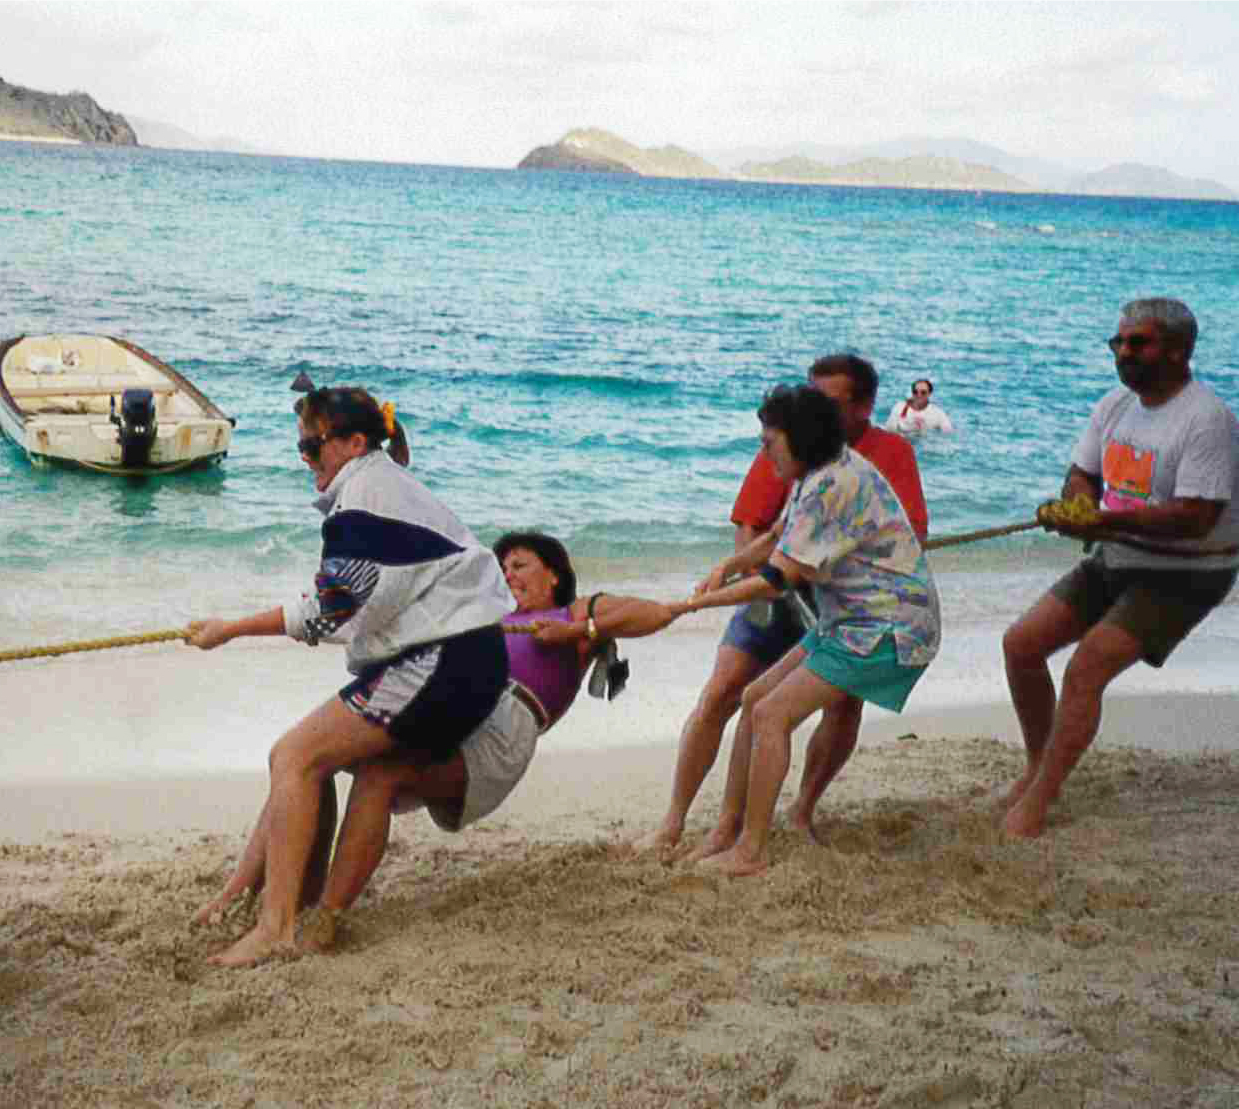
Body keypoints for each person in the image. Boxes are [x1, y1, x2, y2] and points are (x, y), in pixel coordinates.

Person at [191, 531, 678, 947]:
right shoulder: (487, 618)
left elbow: (656, 614)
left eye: (520, 566)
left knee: (381, 773)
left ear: (554, 573)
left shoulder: (575, 612)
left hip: (501, 731)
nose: (509, 576)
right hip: (454, 698)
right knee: (311, 756)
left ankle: (326, 919)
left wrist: (581, 627)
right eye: (503, 569)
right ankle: (250, 890)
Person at [185, 387, 514, 967]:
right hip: (468, 659)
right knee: (327, 762)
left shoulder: (365, 495)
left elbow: (330, 610)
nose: (305, 459)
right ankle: (278, 900)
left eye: (313, 447)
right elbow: (356, 606)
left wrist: (229, 629)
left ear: (354, 443)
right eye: (301, 447)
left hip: (444, 659)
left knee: (294, 757)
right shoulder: (379, 485)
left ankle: (276, 927)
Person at [642, 353, 928, 852]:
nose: (761, 449)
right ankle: (727, 831)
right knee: (752, 699)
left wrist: (688, 608)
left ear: (798, 438)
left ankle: (751, 850)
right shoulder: (816, 470)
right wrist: (726, 568)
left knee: (772, 712)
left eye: (768, 441)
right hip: (849, 618)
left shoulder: (832, 485)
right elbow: (774, 532)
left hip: (886, 626)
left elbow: (776, 579)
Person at [1000, 298, 1239, 839]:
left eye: (1139, 343)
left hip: (1187, 572)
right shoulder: (1113, 406)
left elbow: (1196, 518)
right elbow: (1080, 472)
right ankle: (1037, 763)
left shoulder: (1208, 421)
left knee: (1086, 668)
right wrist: (1080, 506)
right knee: (1020, 645)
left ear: (1179, 351)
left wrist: (1102, 524)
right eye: (1118, 343)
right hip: (1116, 555)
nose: (1124, 353)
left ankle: (1042, 797)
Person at [885, 378, 955, 435]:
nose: (919, 395)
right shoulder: (899, 407)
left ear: (929, 394)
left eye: (923, 392)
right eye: (915, 392)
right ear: (912, 393)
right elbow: (889, 429)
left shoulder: (937, 413)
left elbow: (948, 432)